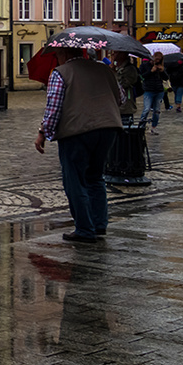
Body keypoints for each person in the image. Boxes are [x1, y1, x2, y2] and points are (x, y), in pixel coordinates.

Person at [34, 49, 124, 242]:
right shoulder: (105, 69)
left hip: (77, 131)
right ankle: (99, 224)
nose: (57, 59)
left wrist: (44, 132)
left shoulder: (61, 72)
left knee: (74, 180)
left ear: (65, 54)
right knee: (96, 177)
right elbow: (122, 98)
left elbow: (54, 108)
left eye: (57, 55)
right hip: (108, 128)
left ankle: (84, 228)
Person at [140, 55, 168, 132]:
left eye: (159, 59)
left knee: (157, 110)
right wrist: (151, 71)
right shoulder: (144, 65)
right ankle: (141, 125)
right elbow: (141, 76)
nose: (156, 61)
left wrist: (162, 71)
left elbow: (166, 78)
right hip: (148, 90)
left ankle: (154, 127)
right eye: (156, 59)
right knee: (146, 109)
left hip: (159, 90)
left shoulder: (161, 66)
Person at [115, 56, 142, 121]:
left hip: (126, 102)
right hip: (118, 102)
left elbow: (125, 84)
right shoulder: (119, 68)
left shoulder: (130, 69)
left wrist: (116, 75)